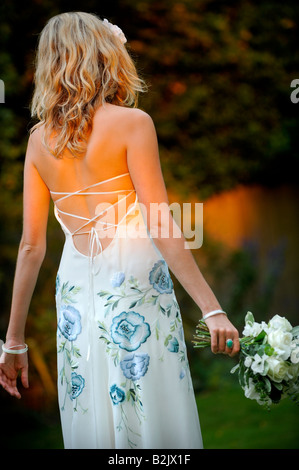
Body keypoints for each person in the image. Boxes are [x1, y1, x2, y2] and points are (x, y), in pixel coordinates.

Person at [0, 12, 240, 449]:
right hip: (133, 280)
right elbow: (160, 220)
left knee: (92, 403)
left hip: (74, 288)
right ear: (104, 53)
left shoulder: (38, 142)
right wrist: (211, 309)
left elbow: (31, 246)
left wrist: (13, 341)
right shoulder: (133, 123)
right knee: (149, 404)